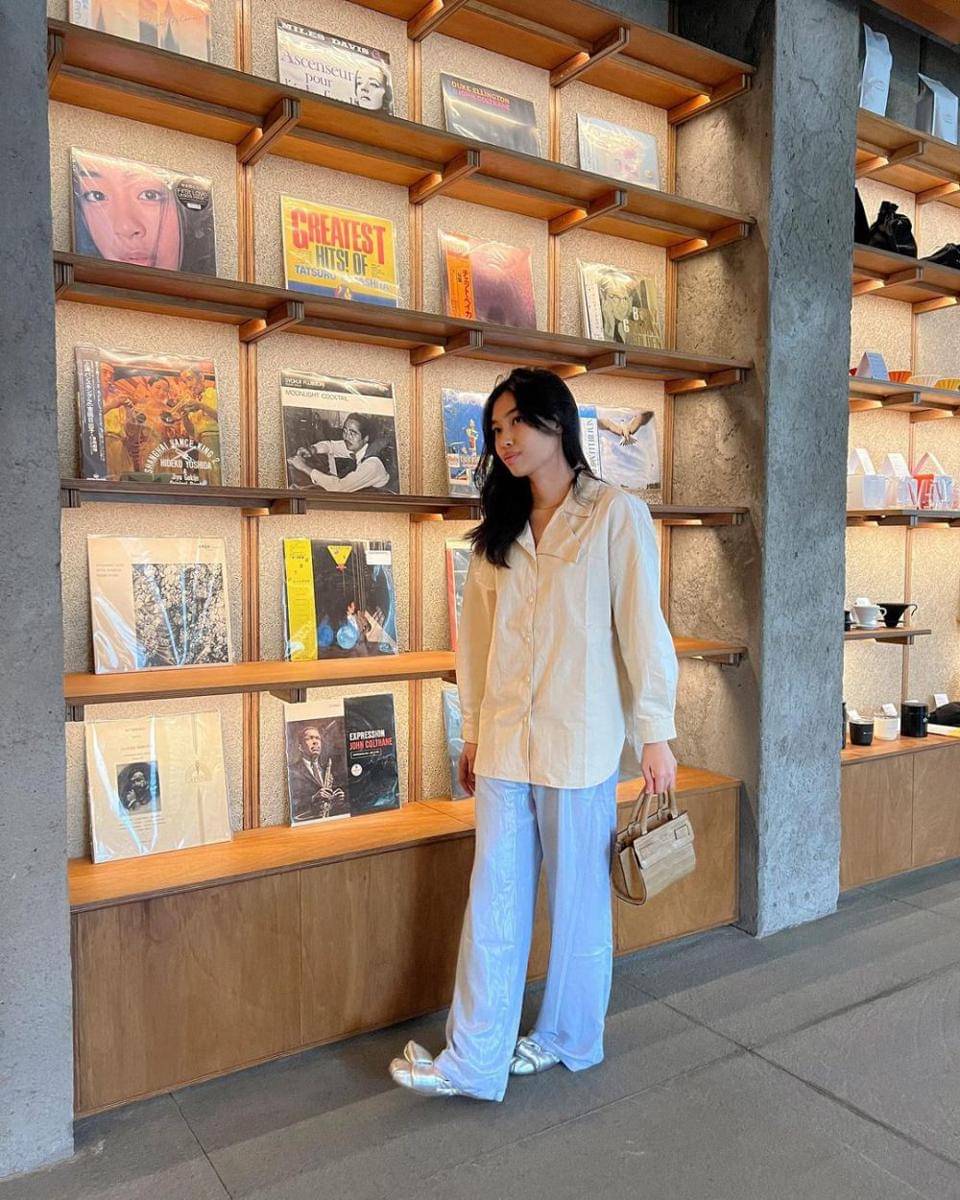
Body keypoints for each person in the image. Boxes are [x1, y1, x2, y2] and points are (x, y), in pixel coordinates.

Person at [389, 366, 678, 1100]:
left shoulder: (615, 514)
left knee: (578, 902)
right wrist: (472, 734)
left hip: (579, 742)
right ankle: (474, 1057)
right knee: (494, 897)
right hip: (505, 742)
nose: (505, 439)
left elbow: (642, 627)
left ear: (558, 421)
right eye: (495, 428)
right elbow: (477, 644)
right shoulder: (498, 528)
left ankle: (569, 1036)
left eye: (516, 421)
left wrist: (656, 732)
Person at [289, 413, 394, 492]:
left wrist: (303, 467)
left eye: (353, 433)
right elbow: (331, 446)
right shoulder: (358, 446)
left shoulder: (372, 464)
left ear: (366, 438)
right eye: (345, 431)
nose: (346, 437)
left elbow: (338, 488)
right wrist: (312, 450)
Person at [288, 724, 347, 822]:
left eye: (317, 738)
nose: (315, 742)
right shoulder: (292, 770)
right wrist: (313, 798)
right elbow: (292, 803)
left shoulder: (327, 771)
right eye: (309, 738)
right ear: (300, 747)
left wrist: (336, 801)